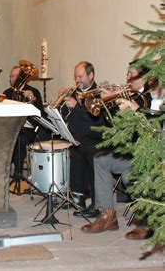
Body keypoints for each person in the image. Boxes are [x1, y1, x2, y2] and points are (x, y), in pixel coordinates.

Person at [81, 63, 153, 239]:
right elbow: (114, 127)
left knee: (129, 175)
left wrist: (136, 111)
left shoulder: (150, 97)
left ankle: (146, 222)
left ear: (144, 77)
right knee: (100, 159)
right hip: (131, 151)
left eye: (133, 73)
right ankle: (108, 216)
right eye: (127, 73)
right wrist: (109, 102)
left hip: (149, 154)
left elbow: (153, 128)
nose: (128, 77)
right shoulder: (131, 95)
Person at [59, 61, 107, 217]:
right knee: (75, 149)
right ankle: (77, 199)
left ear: (91, 75)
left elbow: (96, 121)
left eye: (80, 76)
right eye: (75, 77)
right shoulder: (75, 92)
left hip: (95, 138)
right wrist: (63, 102)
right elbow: (66, 114)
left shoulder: (99, 94)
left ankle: (96, 204)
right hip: (78, 137)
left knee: (87, 150)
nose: (77, 80)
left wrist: (77, 108)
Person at [3, 65, 44, 183]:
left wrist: (32, 99)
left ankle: (18, 173)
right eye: (11, 76)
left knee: (19, 140)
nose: (13, 78)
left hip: (28, 129)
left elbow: (40, 113)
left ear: (22, 78)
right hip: (10, 128)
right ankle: (2, 170)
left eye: (16, 76)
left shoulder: (33, 91)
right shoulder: (7, 92)